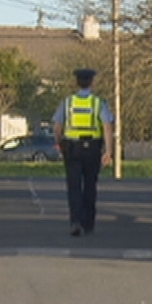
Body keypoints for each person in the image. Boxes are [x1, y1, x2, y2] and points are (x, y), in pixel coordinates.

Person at [53, 67, 116, 236]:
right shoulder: (97, 103)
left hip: (72, 148)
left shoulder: (67, 102)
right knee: (90, 185)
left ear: (76, 83)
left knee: (74, 186)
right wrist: (108, 151)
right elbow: (107, 126)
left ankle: (75, 221)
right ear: (92, 83)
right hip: (92, 148)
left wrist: (59, 142)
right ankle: (88, 222)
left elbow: (57, 126)